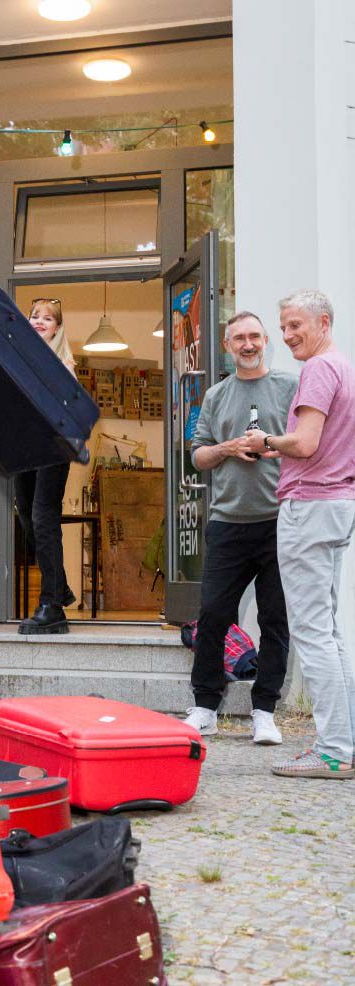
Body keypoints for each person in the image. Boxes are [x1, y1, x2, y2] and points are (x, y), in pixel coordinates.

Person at [243, 290, 355, 779]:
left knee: (312, 634)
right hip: (336, 504)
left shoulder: (319, 370)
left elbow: (305, 444)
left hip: (309, 507)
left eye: (294, 326)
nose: (287, 336)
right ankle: (345, 744)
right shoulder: (345, 367)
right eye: (282, 326)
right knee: (328, 632)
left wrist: (266, 441)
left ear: (323, 321)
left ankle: (333, 751)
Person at [184, 311, 298, 743]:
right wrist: (229, 447)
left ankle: (265, 711)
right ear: (227, 346)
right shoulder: (216, 394)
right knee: (213, 615)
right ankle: (205, 707)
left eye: (254, 337)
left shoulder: (289, 387)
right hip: (228, 523)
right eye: (238, 339)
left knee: (274, 619)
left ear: (265, 340)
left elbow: (309, 441)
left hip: (278, 521)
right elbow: (197, 456)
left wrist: (269, 444)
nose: (247, 345)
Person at [15, 298, 76, 635]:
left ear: (57, 328)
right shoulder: (20, 359)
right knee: (25, 513)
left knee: (43, 518)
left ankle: (52, 605)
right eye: (34, 316)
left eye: (47, 318)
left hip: (53, 445)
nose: (39, 321)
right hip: (24, 447)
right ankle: (61, 586)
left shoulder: (62, 363)